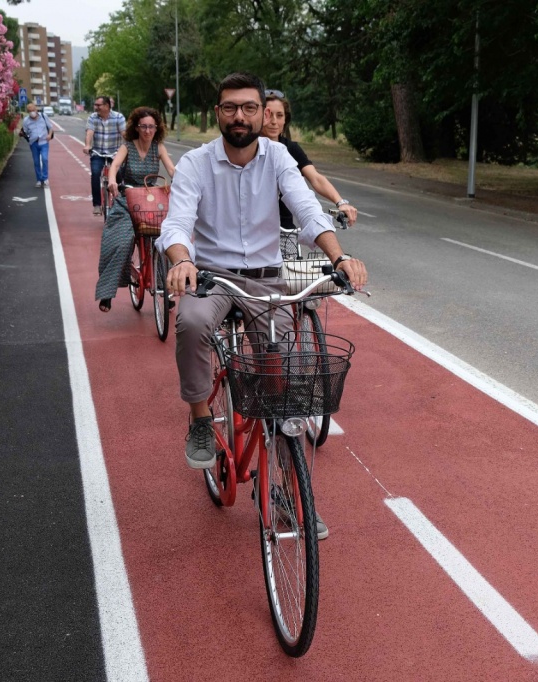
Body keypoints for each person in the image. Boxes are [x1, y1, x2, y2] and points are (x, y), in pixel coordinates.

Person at [157, 72, 367, 540]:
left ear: (261, 112)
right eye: (230, 108)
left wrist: (340, 256)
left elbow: (308, 210)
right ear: (218, 113)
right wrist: (182, 261)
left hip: (267, 281)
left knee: (281, 389)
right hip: (211, 277)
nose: (240, 116)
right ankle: (198, 420)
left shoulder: (277, 158)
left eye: (249, 108)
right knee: (190, 320)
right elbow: (176, 223)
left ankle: (287, 499)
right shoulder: (195, 163)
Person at [94, 107, 176, 312]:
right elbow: (114, 166)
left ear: (157, 128)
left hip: (152, 203)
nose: (148, 131)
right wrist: (112, 181)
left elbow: (172, 169)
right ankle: (107, 292)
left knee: (163, 243)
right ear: (136, 128)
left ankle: (161, 289)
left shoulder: (159, 148)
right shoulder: (127, 147)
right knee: (120, 243)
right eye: (144, 126)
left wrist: (183, 182)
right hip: (128, 201)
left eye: (151, 126)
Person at [262, 90, 358, 228]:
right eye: (268, 115)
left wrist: (341, 203)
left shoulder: (291, 149)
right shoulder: (247, 149)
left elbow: (315, 178)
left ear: (285, 119)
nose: (274, 121)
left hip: (284, 232)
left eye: (279, 115)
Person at [82, 95, 126, 216]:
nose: (95, 107)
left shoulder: (118, 117)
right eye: (95, 105)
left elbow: (124, 133)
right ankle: (97, 204)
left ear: (106, 106)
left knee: (119, 176)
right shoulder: (93, 117)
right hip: (98, 152)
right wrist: (87, 145)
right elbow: (90, 132)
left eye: (98, 105)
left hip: (115, 153)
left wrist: (130, 146)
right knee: (95, 174)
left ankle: (120, 201)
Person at [21, 102, 53, 187]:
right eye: (30, 111)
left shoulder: (43, 116)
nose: (32, 112)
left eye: (33, 110)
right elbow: (25, 132)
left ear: (36, 109)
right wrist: (23, 134)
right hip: (33, 143)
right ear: (28, 112)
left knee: (45, 159)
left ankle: (45, 178)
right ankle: (39, 179)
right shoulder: (26, 120)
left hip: (44, 142)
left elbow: (50, 127)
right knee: (36, 162)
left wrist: (49, 135)